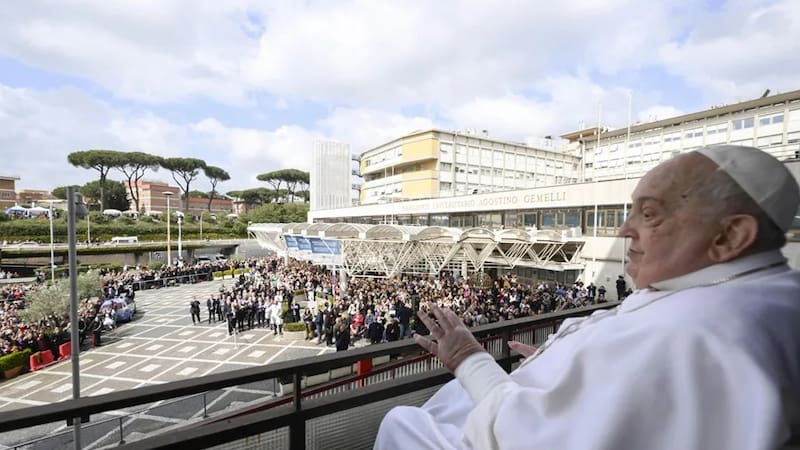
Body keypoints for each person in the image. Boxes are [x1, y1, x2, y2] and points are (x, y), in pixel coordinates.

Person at [374, 145, 800, 450]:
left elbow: (529, 437)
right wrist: (561, 362)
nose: (623, 229)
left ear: (730, 236)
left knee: (403, 424)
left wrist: (468, 356)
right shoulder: (752, 293)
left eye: (648, 213)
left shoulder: (695, 333)